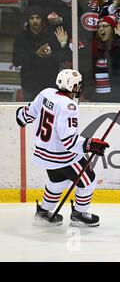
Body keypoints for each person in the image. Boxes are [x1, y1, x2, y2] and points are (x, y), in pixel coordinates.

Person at [15, 69, 110, 227]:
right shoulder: (69, 106)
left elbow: (26, 115)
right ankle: (79, 214)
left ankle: (43, 212)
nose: (79, 87)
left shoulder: (46, 93)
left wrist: (21, 117)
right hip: (62, 156)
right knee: (88, 181)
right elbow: (69, 142)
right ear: (73, 86)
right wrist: (90, 144)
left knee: (58, 182)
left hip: (43, 153)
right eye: (78, 85)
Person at [12, 6, 71, 101]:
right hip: (30, 84)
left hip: (50, 84)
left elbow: (64, 57)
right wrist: (37, 54)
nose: (35, 21)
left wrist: (63, 44)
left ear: (42, 19)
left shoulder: (52, 35)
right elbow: (16, 60)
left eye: (38, 18)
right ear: (28, 20)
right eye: (32, 18)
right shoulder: (21, 36)